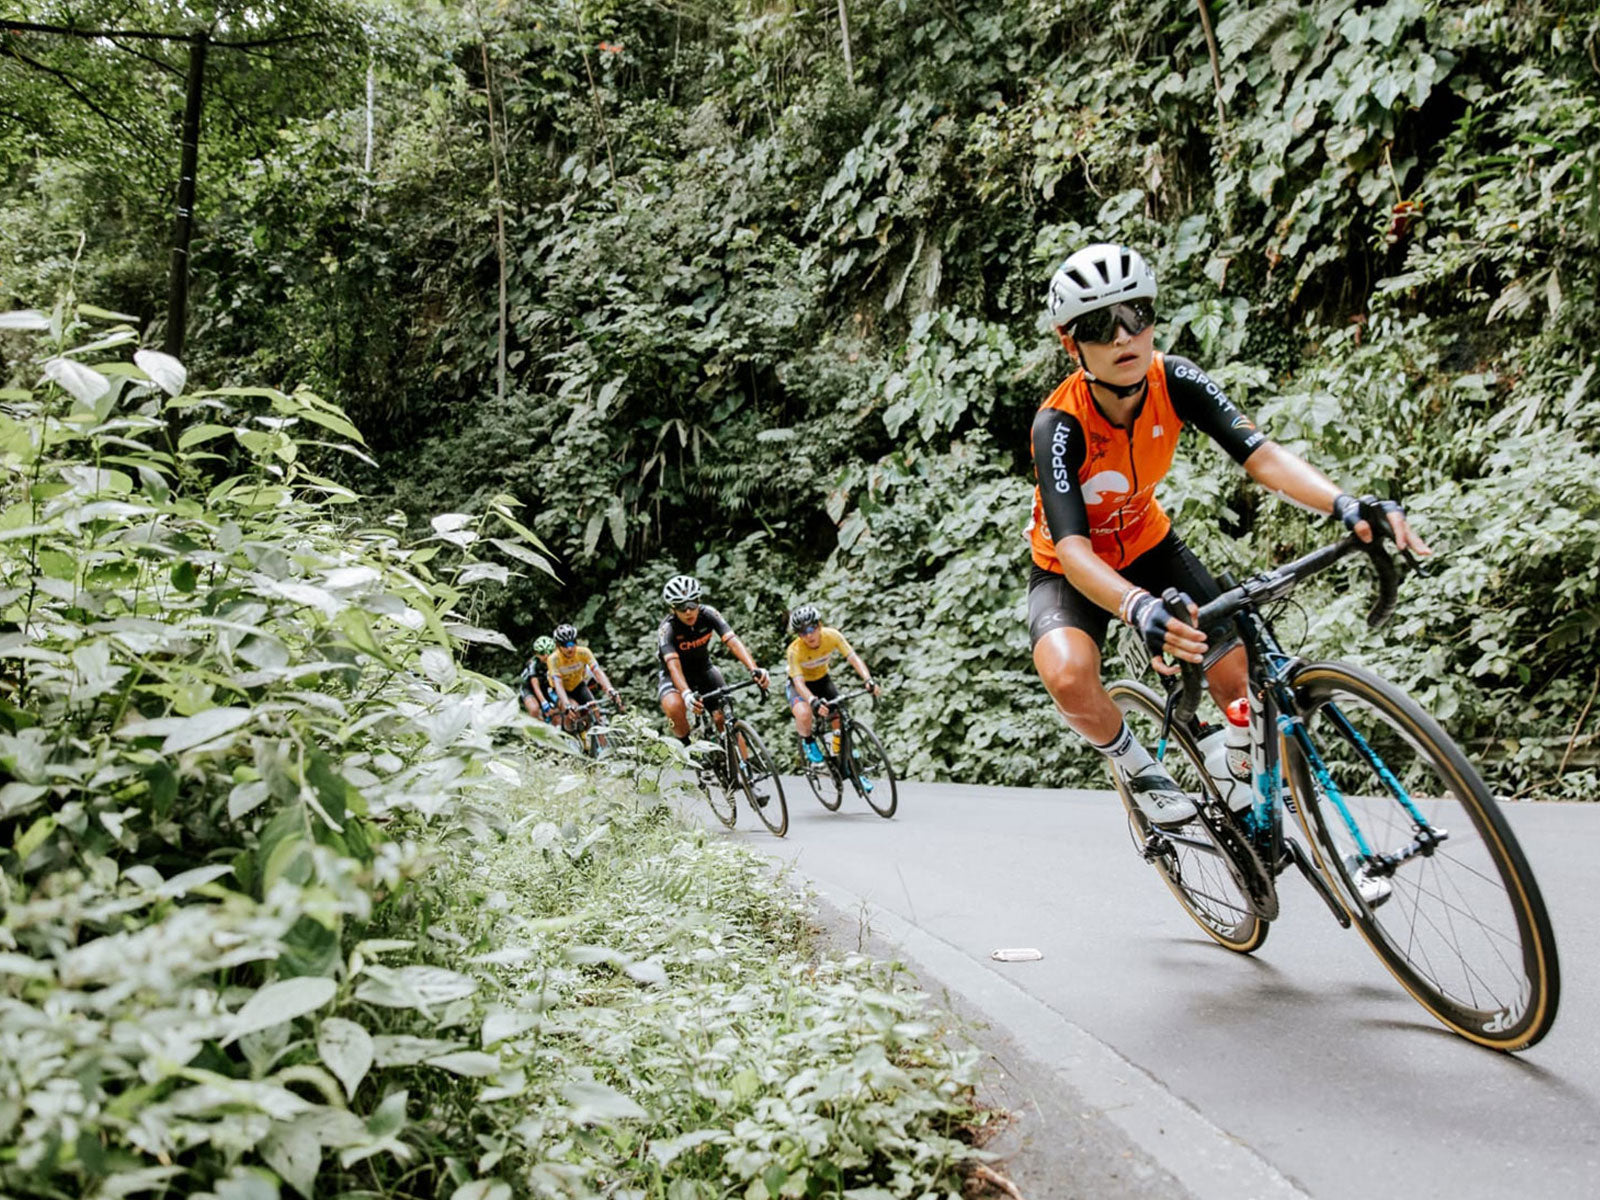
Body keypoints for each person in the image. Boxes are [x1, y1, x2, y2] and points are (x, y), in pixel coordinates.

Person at [1028, 243, 1430, 861]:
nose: (1123, 336)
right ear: (1069, 342)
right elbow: (1074, 547)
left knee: (1235, 677)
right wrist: (1135, 607)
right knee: (1067, 673)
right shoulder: (1059, 425)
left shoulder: (1175, 378)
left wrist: (1344, 502)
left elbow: (1262, 457)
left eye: (1136, 313)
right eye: (1097, 326)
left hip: (1149, 542)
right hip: (1071, 569)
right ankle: (1143, 772)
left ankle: (1236, 776)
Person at [656, 574, 772, 801]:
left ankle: (748, 777)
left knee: (725, 719)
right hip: (674, 676)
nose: (688, 611)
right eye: (681, 607)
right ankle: (690, 749)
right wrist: (686, 693)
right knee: (673, 706)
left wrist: (755, 669)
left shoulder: (709, 615)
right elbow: (673, 664)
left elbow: (732, 641)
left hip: (704, 670)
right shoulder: (667, 629)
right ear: (672, 609)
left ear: (699, 602)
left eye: (692, 604)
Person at [783, 603, 879, 765]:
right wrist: (812, 700)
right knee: (804, 714)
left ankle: (842, 756)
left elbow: (853, 657)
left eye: (811, 629)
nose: (808, 636)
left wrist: (868, 679)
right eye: (802, 633)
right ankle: (808, 742)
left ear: (819, 625)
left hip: (822, 680)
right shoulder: (794, 650)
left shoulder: (832, 636)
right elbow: (798, 683)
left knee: (839, 717)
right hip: (800, 686)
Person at [547, 623, 624, 744]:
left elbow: (598, 672)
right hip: (561, 691)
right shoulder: (553, 659)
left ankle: (605, 753)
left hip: (578, 686)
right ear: (558, 646)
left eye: (572, 643)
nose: (570, 648)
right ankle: (569, 738)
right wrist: (567, 705)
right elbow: (558, 683)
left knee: (595, 713)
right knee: (573, 711)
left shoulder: (584, 653)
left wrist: (609, 689)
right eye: (565, 645)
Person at [517, 636, 558, 724]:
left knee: (556, 711)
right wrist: (544, 703)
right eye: (542, 653)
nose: (546, 656)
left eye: (550, 652)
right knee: (534, 709)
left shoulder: (557, 661)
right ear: (536, 654)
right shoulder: (534, 664)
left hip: (545, 686)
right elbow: (535, 686)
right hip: (529, 688)